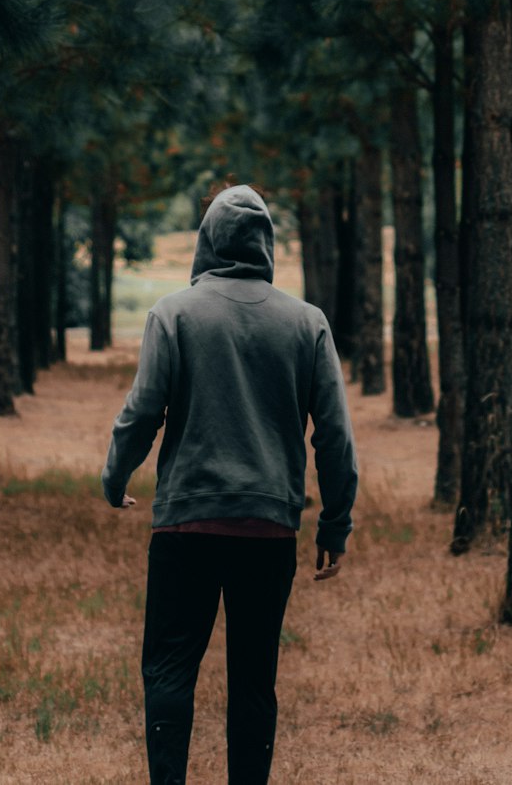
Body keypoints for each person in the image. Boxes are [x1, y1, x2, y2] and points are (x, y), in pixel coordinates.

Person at [102, 183, 358, 785]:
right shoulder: (307, 322)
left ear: (206, 241)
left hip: (184, 526)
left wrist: (115, 477)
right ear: (265, 243)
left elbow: (143, 412)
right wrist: (335, 523)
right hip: (269, 530)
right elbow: (336, 435)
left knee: (168, 670)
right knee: (253, 678)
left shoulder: (173, 314)